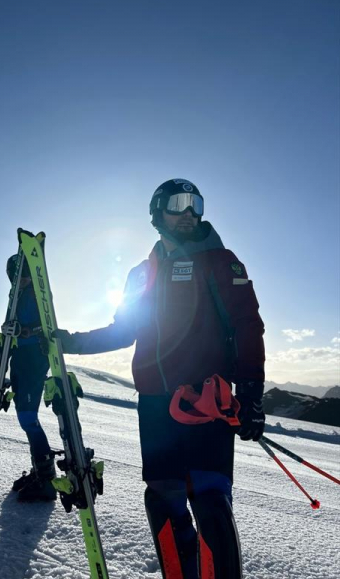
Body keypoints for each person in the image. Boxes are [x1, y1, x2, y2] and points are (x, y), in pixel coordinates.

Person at [54, 178, 266, 578]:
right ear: (157, 212)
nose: (189, 212)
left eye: (197, 204)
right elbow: (123, 330)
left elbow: (247, 326)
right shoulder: (141, 274)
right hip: (154, 404)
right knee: (163, 499)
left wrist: (251, 391)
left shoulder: (220, 261)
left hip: (205, 401)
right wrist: (71, 343)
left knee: (209, 498)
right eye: (179, 203)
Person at [0, 255, 56, 502]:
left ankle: (47, 482)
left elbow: (47, 327)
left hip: (33, 363)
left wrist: (24, 331)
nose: (23, 279)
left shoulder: (38, 296)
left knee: (29, 419)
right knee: (26, 419)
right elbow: (6, 339)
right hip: (19, 365)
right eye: (18, 275)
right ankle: (41, 472)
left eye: (26, 274)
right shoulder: (15, 298)